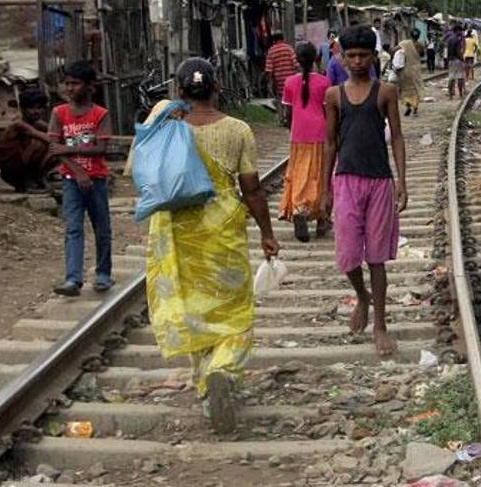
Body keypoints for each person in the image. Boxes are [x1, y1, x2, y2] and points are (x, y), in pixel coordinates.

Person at [143, 58, 280, 434]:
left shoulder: (165, 123)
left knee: (192, 308)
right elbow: (251, 189)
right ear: (217, 87)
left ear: (180, 91)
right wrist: (267, 232)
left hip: (177, 228)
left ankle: (206, 381)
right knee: (235, 310)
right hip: (222, 227)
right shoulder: (238, 130)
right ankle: (223, 369)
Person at [318, 25, 407, 356]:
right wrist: (324, 189)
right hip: (346, 180)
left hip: (379, 180)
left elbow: (396, 136)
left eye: (363, 55)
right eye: (351, 55)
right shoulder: (333, 96)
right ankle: (363, 296)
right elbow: (329, 143)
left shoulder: (386, 92)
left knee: (377, 257)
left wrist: (402, 181)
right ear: (341, 57)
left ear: (373, 57)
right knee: (348, 255)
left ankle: (380, 324)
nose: (357, 61)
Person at [49, 60, 113, 296]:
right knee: (73, 228)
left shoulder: (100, 114)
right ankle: (73, 278)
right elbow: (54, 148)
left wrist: (67, 149)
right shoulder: (59, 113)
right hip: (70, 180)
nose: (70, 88)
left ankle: (103, 273)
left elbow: (101, 148)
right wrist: (77, 170)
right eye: (67, 84)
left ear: (89, 86)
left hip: (96, 179)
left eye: (75, 84)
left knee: (102, 227)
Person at [280, 42, 331, 242]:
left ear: (296, 60)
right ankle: (321, 219)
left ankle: (299, 207)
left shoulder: (289, 82)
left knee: (299, 173)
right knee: (320, 175)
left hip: (298, 135)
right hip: (319, 134)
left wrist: (291, 126)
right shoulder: (324, 82)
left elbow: (287, 114)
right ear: (316, 58)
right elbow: (328, 111)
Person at [0, 89, 53, 192]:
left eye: (39, 108)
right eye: (31, 108)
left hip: (21, 166)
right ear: (23, 109)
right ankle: (29, 182)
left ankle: (37, 179)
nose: (36, 111)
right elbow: (48, 139)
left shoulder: (37, 123)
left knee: (58, 145)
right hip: (11, 171)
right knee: (41, 144)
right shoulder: (19, 124)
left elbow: (57, 132)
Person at [395, 30, 425, 116]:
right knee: (416, 89)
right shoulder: (420, 45)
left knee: (406, 89)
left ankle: (408, 106)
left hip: (405, 69)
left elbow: (394, 50)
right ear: (418, 36)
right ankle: (415, 108)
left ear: (410, 35)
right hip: (416, 70)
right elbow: (422, 55)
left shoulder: (404, 44)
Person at [264, 32, 298, 101]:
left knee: (282, 100)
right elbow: (296, 64)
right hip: (291, 80)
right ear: (283, 39)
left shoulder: (271, 51)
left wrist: (269, 84)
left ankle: (282, 111)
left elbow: (269, 70)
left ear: (274, 41)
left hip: (279, 82)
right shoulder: (289, 48)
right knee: (292, 99)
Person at [445, 24, 466, 99]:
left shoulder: (449, 39)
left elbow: (448, 51)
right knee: (460, 77)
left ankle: (450, 95)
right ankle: (460, 94)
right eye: (460, 31)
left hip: (450, 60)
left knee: (451, 78)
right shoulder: (457, 39)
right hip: (457, 60)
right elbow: (458, 52)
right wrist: (462, 59)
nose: (461, 32)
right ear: (457, 30)